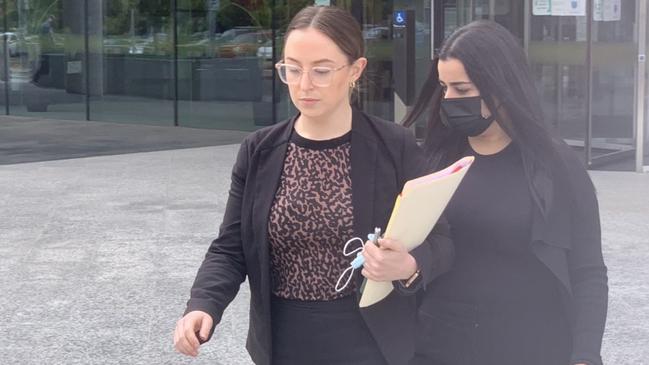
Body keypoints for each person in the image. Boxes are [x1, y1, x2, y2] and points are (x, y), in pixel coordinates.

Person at [173, 6, 453, 365]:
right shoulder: (259, 150)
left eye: (321, 71)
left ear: (356, 70)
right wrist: (203, 304)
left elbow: (443, 240)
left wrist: (410, 266)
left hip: (371, 341)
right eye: (292, 69)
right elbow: (231, 246)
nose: (304, 84)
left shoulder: (394, 145)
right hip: (283, 341)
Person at [402, 20, 608, 365]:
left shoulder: (556, 166)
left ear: (501, 86)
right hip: (438, 346)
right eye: (444, 87)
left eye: (463, 89)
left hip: (533, 346)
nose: (449, 99)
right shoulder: (431, 160)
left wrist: (585, 354)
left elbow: (588, 270)